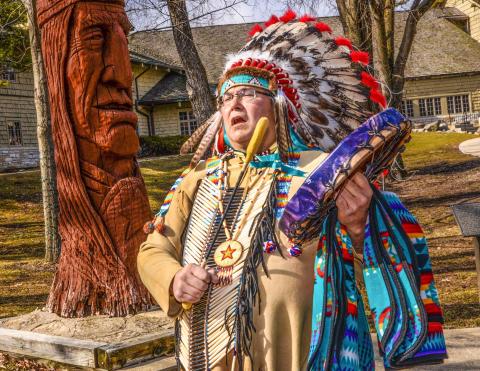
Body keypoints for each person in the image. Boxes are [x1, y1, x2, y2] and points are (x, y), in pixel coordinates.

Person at [138, 11, 446, 370]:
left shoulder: (323, 171)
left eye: (249, 93)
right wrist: (173, 278)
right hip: (208, 352)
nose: (234, 103)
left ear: (280, 104)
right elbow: (153, 247)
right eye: (225, 97)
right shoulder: (198, 178)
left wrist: (360, 227)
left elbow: (368, 263)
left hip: (300, 352)